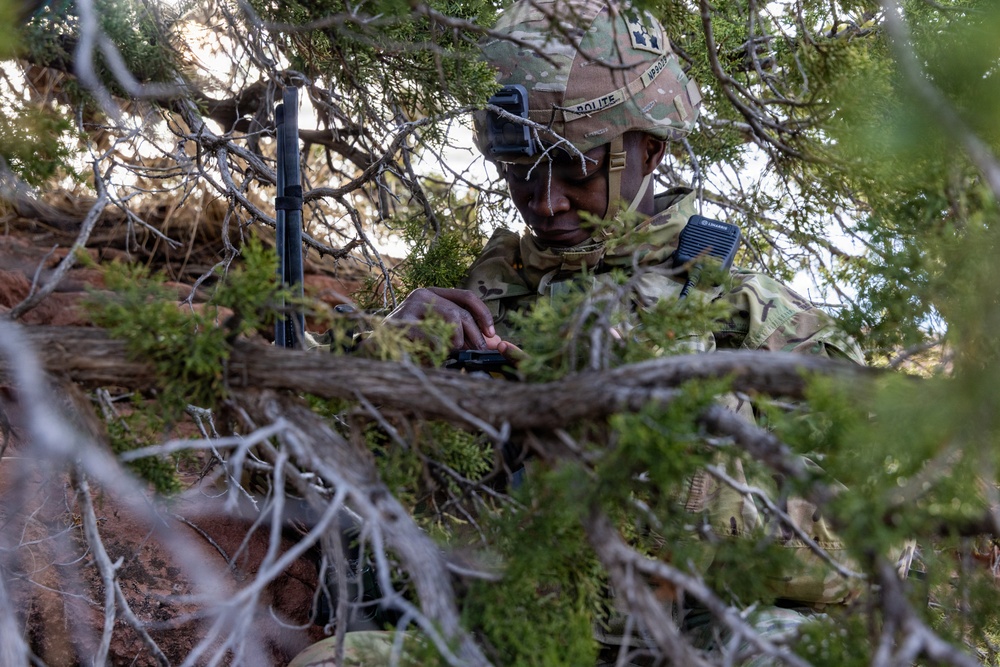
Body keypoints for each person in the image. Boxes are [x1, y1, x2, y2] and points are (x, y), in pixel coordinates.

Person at [292, 0, 879, 664]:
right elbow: (344, 491)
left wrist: (685, 464)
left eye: (574, 171)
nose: (544, 203)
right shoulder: (483, 299)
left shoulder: (755, 317)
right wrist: (388, 363)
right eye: (521, 173)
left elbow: (878, 546)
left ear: (649, 149)